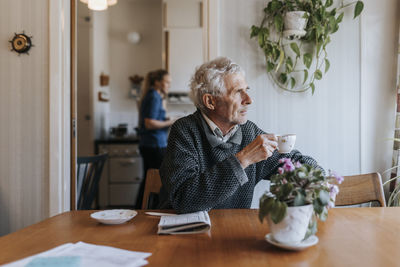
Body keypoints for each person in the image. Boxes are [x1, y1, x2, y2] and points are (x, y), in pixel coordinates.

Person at [158, 57, 322, 213]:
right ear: (210, 101)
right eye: (238, 92)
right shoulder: (185, 131)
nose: (249, 99)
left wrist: (319, 176)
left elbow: (289, 162)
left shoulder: (248, 131)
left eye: (247, 90)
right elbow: (183, 199)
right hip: (181, 233)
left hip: (233, 229)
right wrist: (243, 159)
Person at [137, 69, 176, 209]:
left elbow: (153, 119)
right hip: (153, 144)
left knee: (149, 179)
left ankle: (142, 208)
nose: (169, 85)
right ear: (157, 82)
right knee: (154, 179)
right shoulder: (153, 96)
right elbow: (149, 123)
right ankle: (146, 208)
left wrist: (166, 119)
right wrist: (171, 122)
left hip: (151, 144)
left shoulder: (155, 96)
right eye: (167, 82)